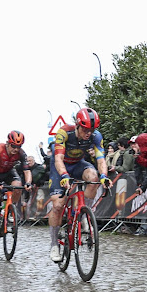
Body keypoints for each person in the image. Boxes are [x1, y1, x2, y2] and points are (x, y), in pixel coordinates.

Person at [47, 108, 111, 261]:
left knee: (94, 177)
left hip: (77, 164)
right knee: (57, 205)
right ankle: (54, 244)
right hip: (60, 166)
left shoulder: (96, 137)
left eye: (91, 130)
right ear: (77, 125)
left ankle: (83, 213)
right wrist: (64, 176)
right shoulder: (65, 133)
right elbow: (58, 159)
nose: (88, 133)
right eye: (85, 129)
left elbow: (101, 159)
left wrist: (104, 176)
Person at [0, 131, 33, 247]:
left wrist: (28, 183)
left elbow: (27, 171)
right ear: (7, 143)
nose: (16, 149)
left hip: (8, 172)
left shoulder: (21, 153)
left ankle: (11, 210)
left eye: (19, 147)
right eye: (13, 146)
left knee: (18, 185)